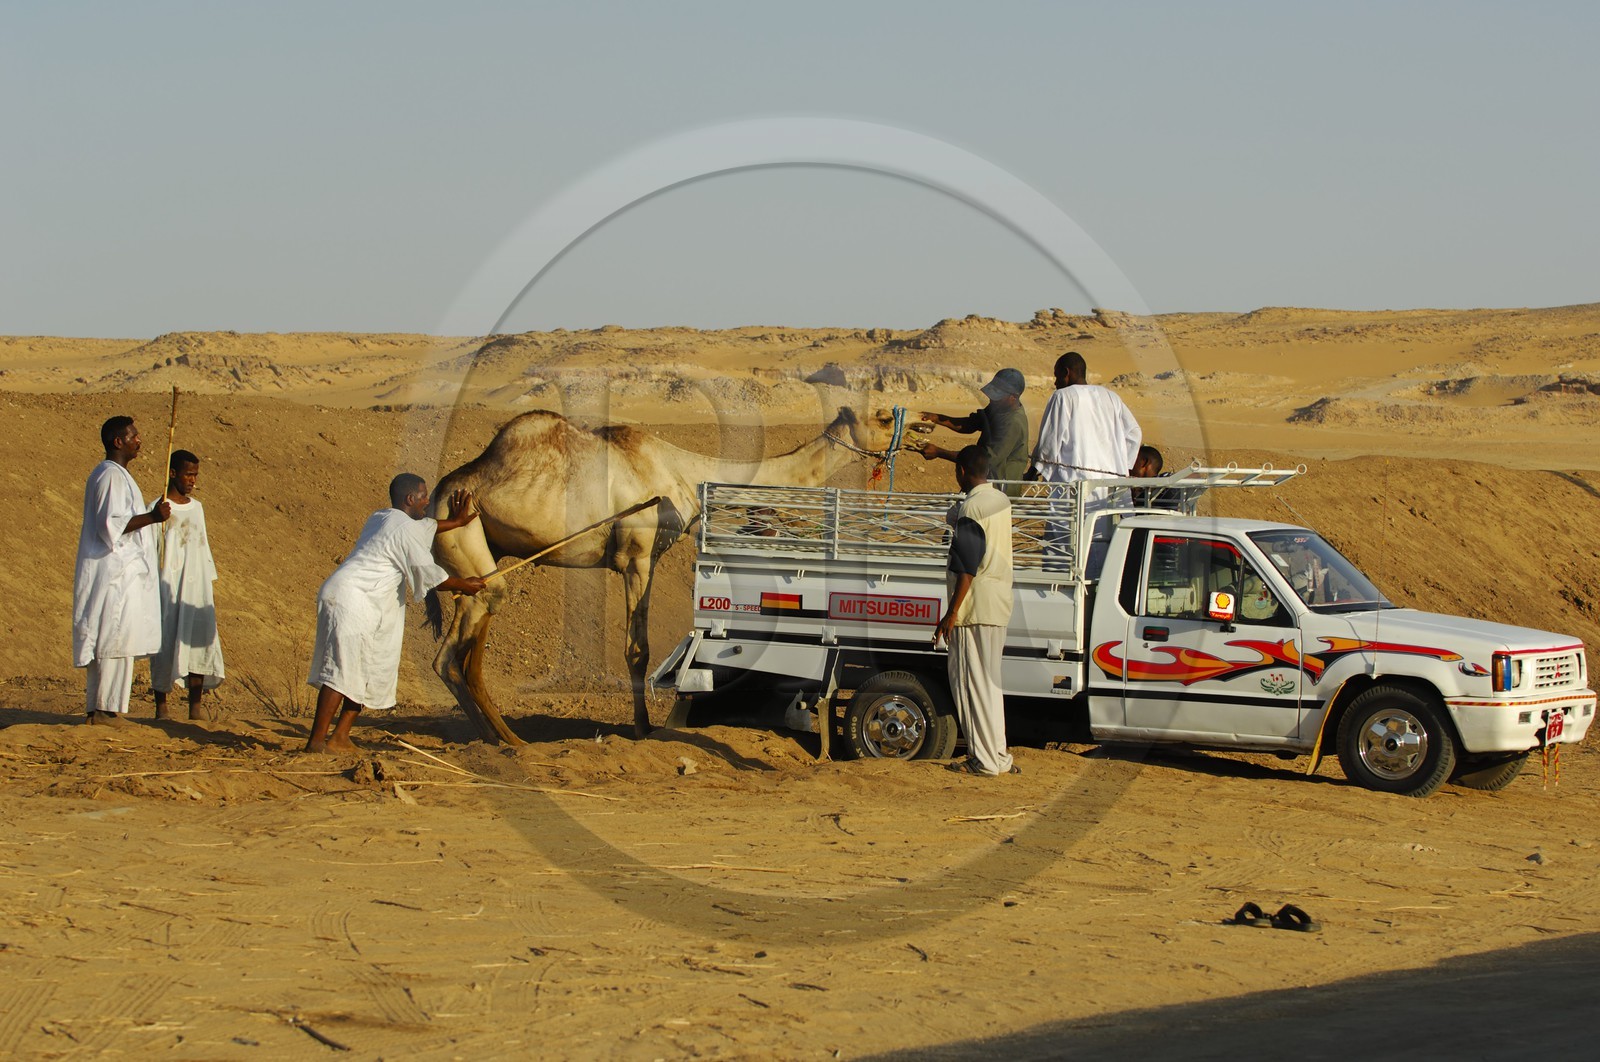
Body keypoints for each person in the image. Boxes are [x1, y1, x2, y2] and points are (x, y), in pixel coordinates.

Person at [305, 474, 488, 753]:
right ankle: (316, 743)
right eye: (424, 495)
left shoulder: (381, 517)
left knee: (364, 668)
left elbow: (425, 527)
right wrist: (466, 584)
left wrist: (458, 522)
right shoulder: (405, 530)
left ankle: (340, 737)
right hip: (355, 600)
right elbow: (430, 576)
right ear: (410, 499)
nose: (428, 501)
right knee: (343, 671)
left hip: (348, 596)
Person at [72, 416, 169, 726]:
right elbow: (110, 525)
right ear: (118, 442)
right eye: (133, 436)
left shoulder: (118, 475)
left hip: (122, 575)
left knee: (115, 639)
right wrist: (152, 517)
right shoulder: (109, 476)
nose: (139, 440)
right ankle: (105, 710)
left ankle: (104, 709)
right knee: (114, 639)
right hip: (113, 575)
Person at [933, 446, 1017, 776]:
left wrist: (952, 612)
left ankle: (983, 761)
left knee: (971, 684)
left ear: (964, 471)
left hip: (974, 606)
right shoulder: (999, 500)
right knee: (990, 685)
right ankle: (998, 756)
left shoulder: (973, 506)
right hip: (997, 604)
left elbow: (966, 565)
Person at [151, 449, 225, 720]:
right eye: (188, 474)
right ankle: (162, 705)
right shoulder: (157, 508)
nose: (193, 480)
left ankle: (195, 706)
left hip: (196, 585)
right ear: (172, 473)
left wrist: (207, 582)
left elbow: (203, 546)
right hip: (167, 584)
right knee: (164, 640)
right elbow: (153, 548)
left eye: (196, 475)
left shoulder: (197, 508)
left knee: (197, 639)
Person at [1026, 351, 1142, 502]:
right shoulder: (1111, 396)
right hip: (1112, 484)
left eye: (1057, 376)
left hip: (1076, 484)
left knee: (1073, 524)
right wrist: (1120, 466)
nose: (1055, 383)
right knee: (1106, 523)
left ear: (1066, 372)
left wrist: (1033, 471)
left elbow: (1050, 442)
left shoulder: (1062, 396)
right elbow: (1134, 433)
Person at [917, 368, 1031, 487]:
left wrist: (939, 452)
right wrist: (936, 418)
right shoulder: (998, 407)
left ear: (1013, 397)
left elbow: (983, 461)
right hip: (983, 481)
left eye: (997, 396)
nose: (991, 399)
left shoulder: (1013, 423)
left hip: (999, 487)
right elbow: (971, 424)